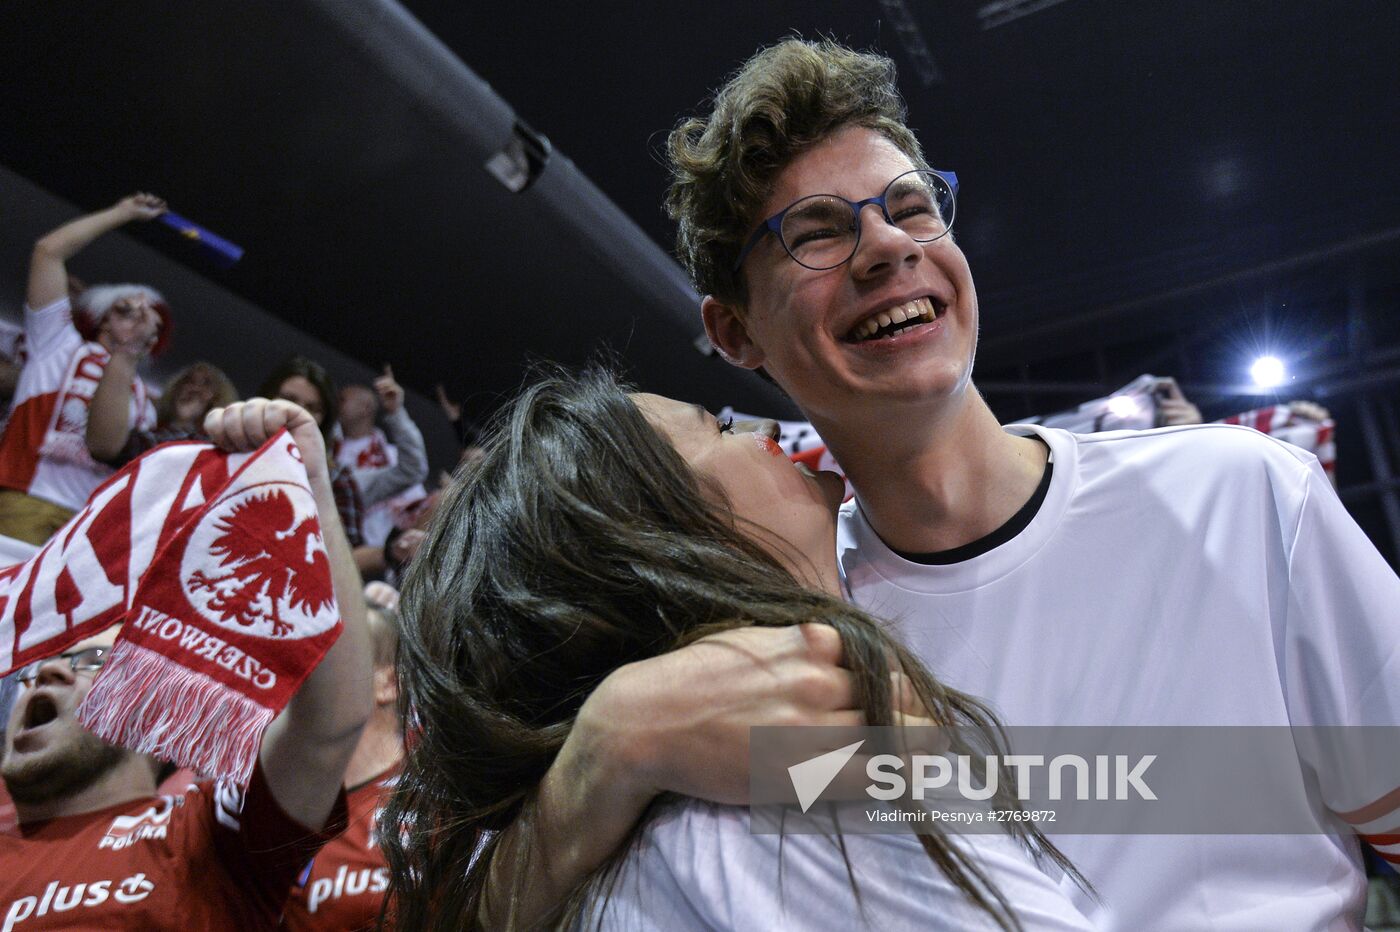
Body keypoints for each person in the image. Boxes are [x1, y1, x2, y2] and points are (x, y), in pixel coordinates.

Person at [475, 39, 1400, 931]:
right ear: (735, 334)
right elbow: (485, 910)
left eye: (910, 206)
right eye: (817, 233)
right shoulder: (783, 644)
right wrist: (605, 749)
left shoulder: (1238, 498)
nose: (886, 246)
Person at [382, 368, 1091, 931]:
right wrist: (614, 742)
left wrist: (610, 744)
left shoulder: (639, 804)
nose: (760, 426)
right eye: (719, 427)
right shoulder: (784, 796)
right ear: (663, 539)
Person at [0, 397, 373, 929]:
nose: (49, 671)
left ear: (153, 705)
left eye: (90, 660)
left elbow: (331, 721)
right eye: (35, 668)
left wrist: (309, 489)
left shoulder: (204, 839)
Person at [0, 194, 171, 545]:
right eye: (126, 310)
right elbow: (48, 251)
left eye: (147, 318)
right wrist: (121, 212)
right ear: (102, 318)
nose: (137, 320)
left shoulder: (144, 401)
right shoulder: (58, 343)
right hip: (25, 498)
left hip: (84, 526)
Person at [283, 582, 403, 931]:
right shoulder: (268, 810)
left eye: (334, 650)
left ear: (388, 683)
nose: (311, 664)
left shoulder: (447, 786)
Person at [258, 356, 367, 551]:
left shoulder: (337, 479)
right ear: (267, 397)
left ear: (324, 420)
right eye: (289, 400)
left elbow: (348, 557)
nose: (297, 412)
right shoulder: (232, 450)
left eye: (312, 408)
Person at [334, 366, 429, 570]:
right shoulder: (324, 449)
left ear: (365, 408)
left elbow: (413, 469)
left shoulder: (390, 455)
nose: (334, 402)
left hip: (378, 552)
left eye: (342, 399)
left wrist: (396, 412)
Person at [86, 360, 239, 466]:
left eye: (206, 384)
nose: (194, 388)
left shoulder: (214, 450)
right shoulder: (148, 427)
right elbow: (115, 449)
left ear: (219, 398)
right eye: (188, 381)